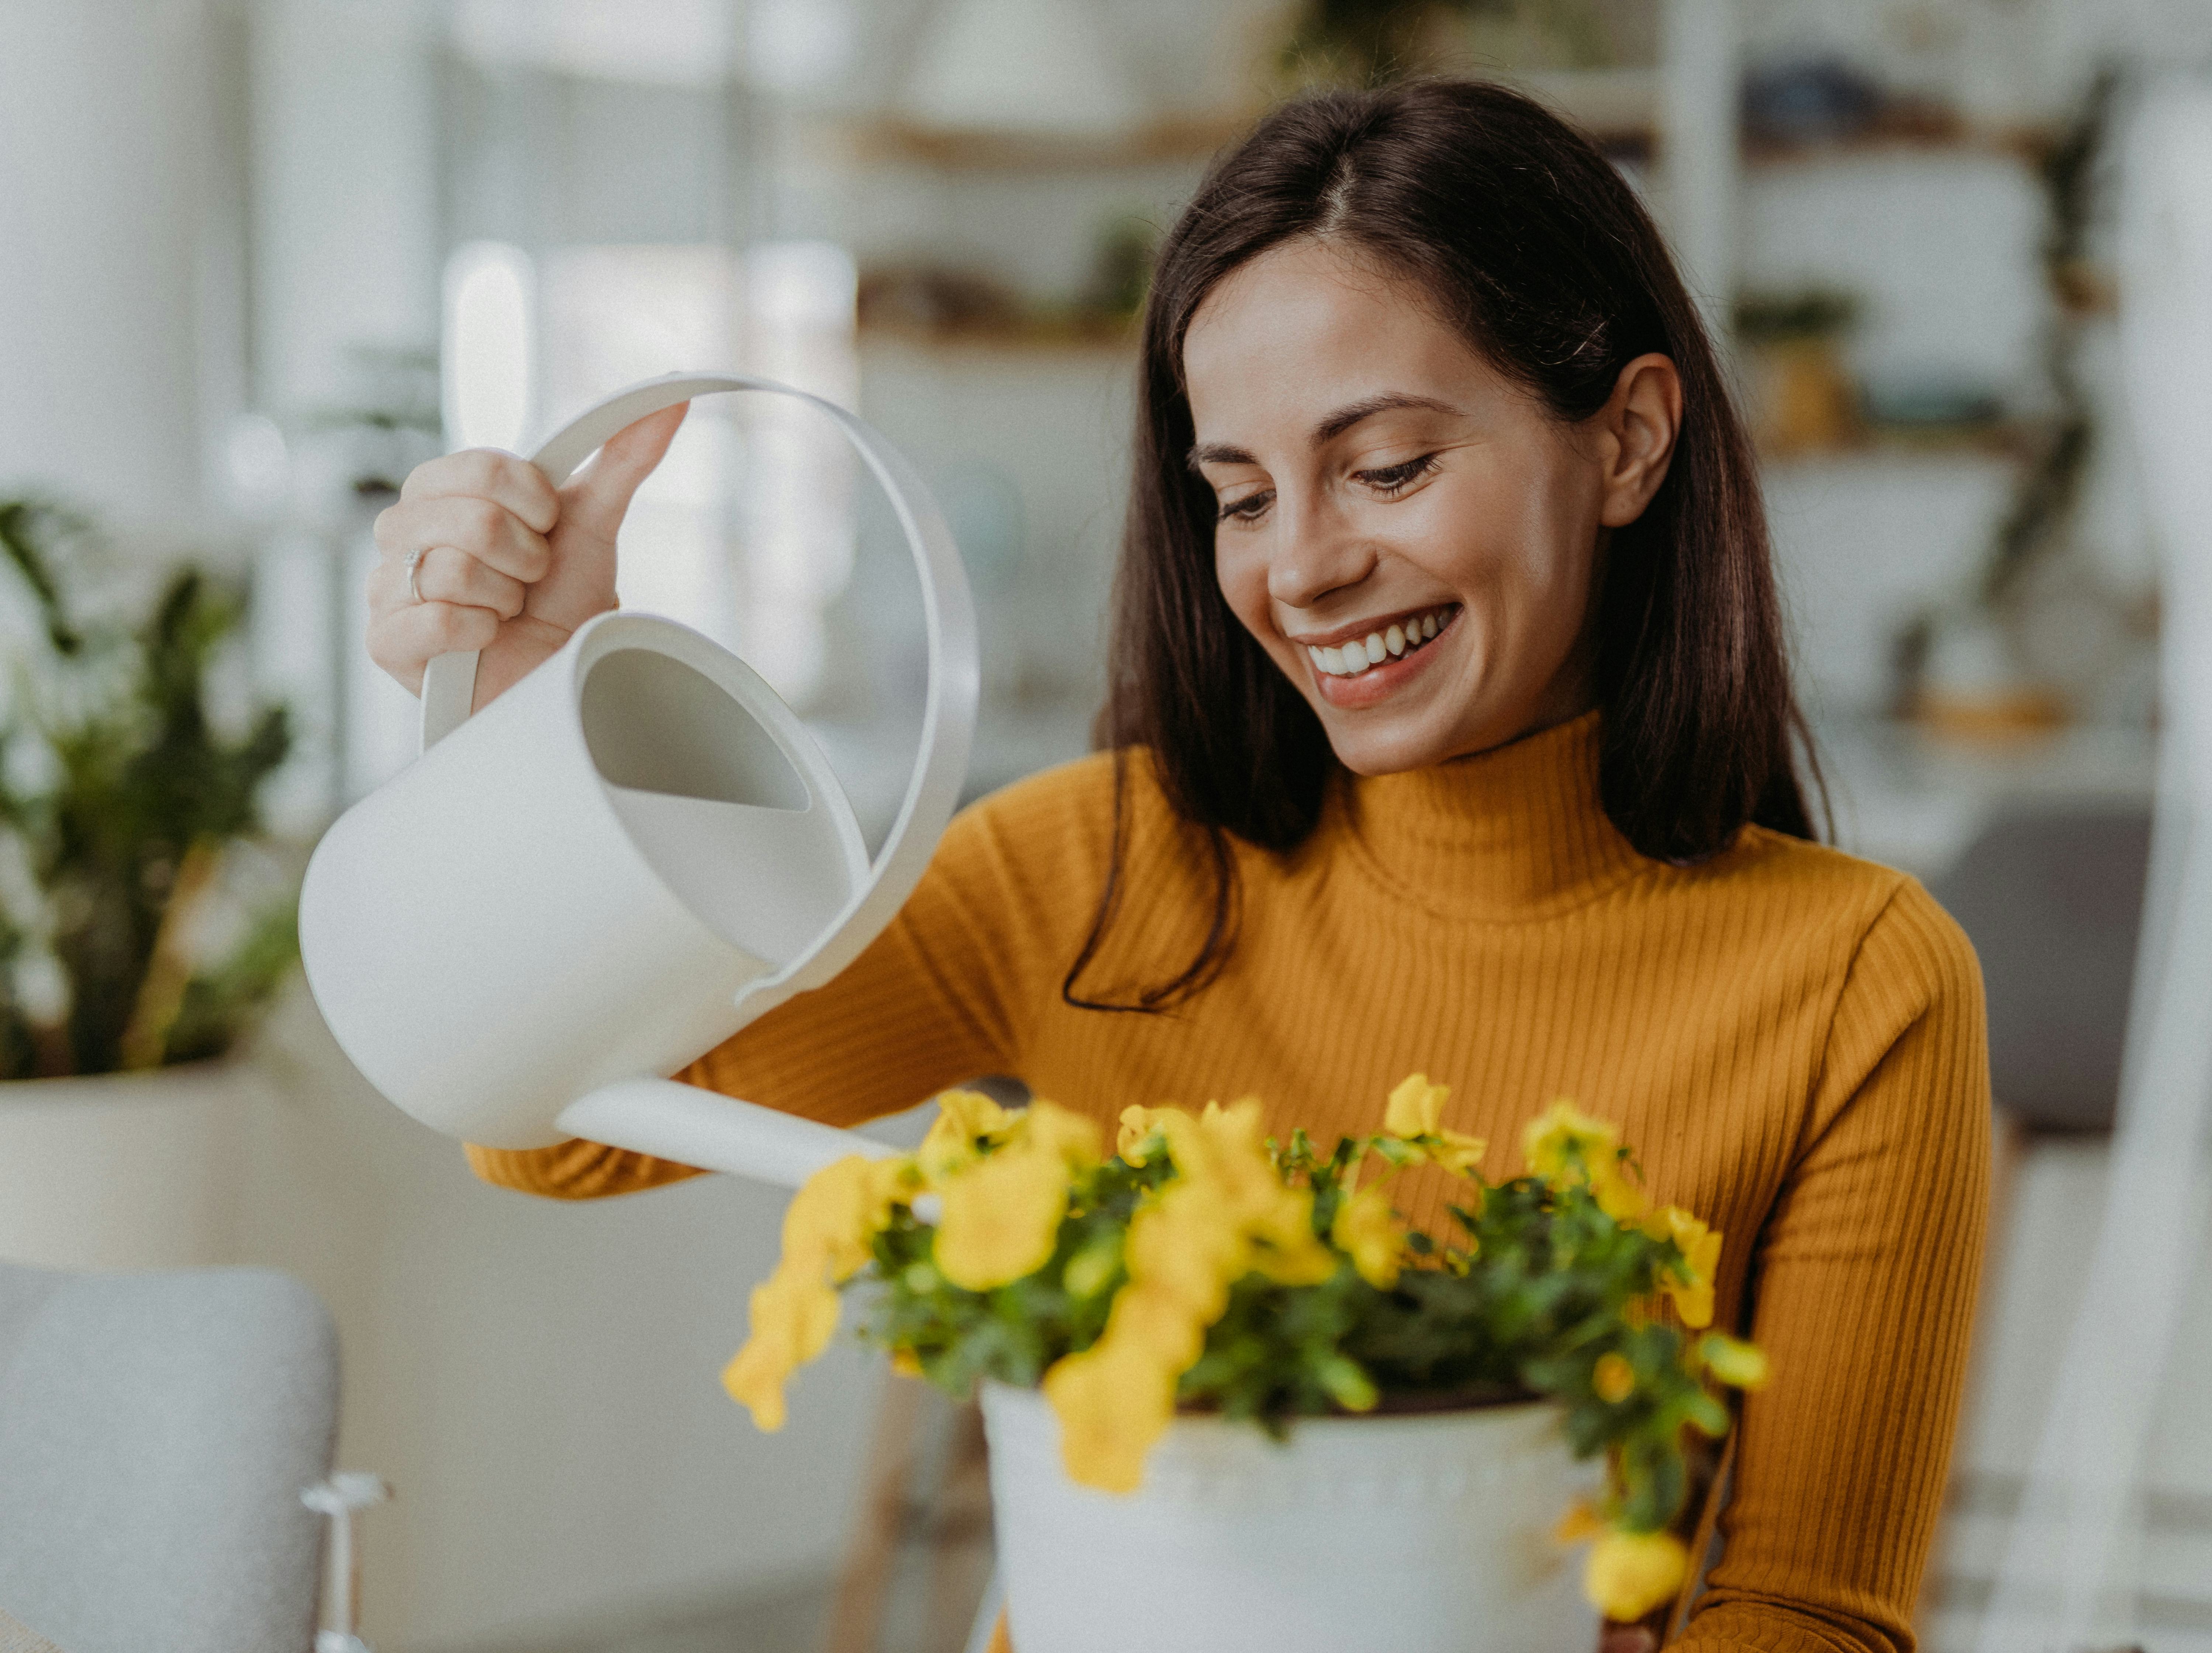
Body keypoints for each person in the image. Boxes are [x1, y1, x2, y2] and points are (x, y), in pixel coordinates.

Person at [368, 78, 1988, 1653]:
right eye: (1241, 495)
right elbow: (549, 1134)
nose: (1302, 567)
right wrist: (527, 738)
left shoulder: (1857, 982)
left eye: (1389, 466)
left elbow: (1809, 1613)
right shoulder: (1093, 867)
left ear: (1627, 440)